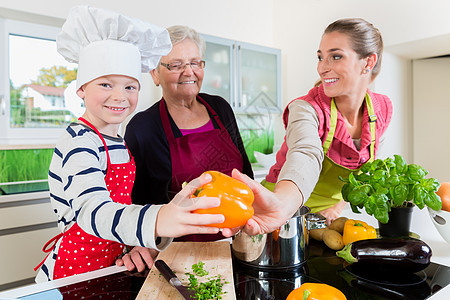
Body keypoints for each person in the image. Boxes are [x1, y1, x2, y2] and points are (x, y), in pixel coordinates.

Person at [35, 6, 226, 282]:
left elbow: (122, 206)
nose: (119, 96)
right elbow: (93, 210)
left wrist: (132, 245)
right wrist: (159, 219)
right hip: (74, 274)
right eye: (105, 84)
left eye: (129, 87)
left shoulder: (116, 140)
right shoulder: (78, 141)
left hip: (111, 266)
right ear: (81, 90)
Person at [236, 18, 393, 233]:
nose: (322, 68)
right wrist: (282, 207)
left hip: (324, 219)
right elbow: (305, 154)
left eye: (335, 57)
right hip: (279, 213)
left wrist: (337, 207)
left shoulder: (381, 109)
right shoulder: (306, 108)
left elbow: (365, 173)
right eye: (320, 57)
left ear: (367, 62)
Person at [124, 25, 253, 242]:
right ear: (155, 74)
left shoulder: (220, 108)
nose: (189, 72)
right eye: (176, 65)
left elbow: (245, 175)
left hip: (237, 240)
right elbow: (135, 204)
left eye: (195, 63)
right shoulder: (142, 127)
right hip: (177, 250)